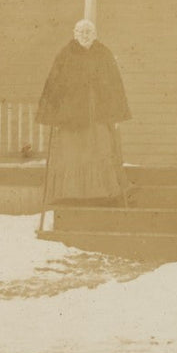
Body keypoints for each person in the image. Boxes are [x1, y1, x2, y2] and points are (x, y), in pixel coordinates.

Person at [36, 19, 130, 232]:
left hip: (98, 115)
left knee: (100, 150)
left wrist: (116, 113)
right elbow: (53, 84)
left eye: (89, 31)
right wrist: (52, 113)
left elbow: (114, 85)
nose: (85, 35)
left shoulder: (104, 54)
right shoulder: (65, 55)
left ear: (95, 34)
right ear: (74, 34)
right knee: (74, 154)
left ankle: (102, 195)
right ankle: (72, 195)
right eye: (81, 31)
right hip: (72, 118)